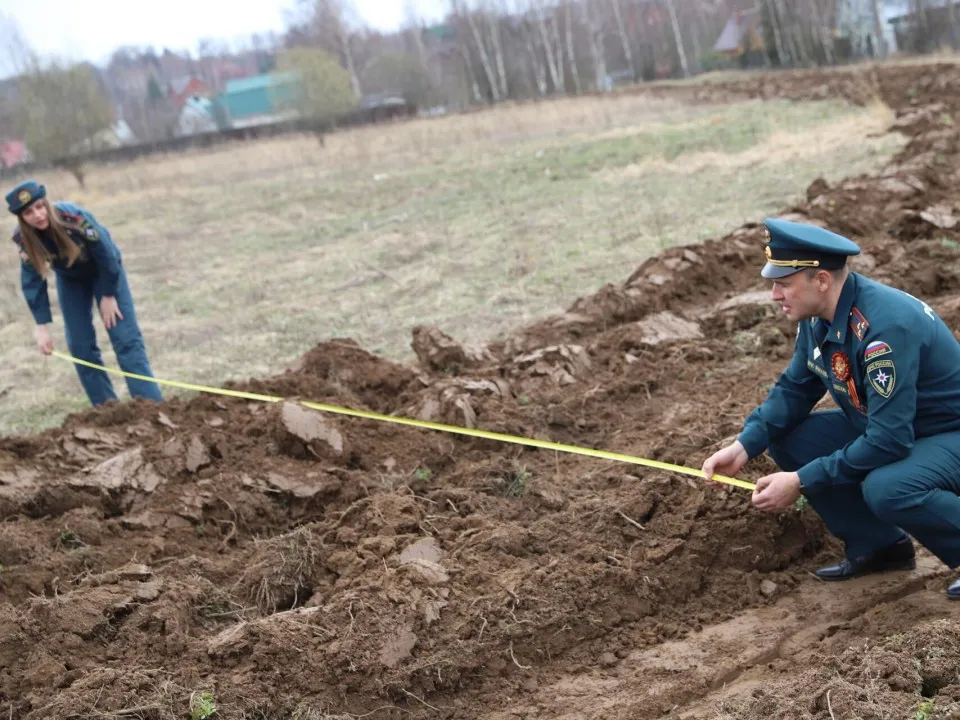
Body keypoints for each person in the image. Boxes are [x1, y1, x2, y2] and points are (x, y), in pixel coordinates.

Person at [701, 217, 960, 599]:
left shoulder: (884, 328)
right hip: (899, 427)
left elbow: (890, 440)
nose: (774, 295)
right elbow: (795, 388)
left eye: (783, 283)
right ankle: (879, 547)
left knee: (888, 488)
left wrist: (801, 480)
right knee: (788, 437)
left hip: (946, 434)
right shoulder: (820, 317)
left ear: (821, 280)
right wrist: (744, 445)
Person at [6, 180, 162, 406]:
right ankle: (106, 408)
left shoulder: (74, 218)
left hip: (103, 271)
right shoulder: (24, 239)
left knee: (125, 338)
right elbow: (32, 281)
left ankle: (150, 406)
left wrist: (108, 295)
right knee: (80, 347)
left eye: (40, 206)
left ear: (46, 203)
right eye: (29, 212)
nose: (38, 215)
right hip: (71, 280)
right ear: (21, 218)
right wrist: (41, 326)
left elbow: (106, 253)